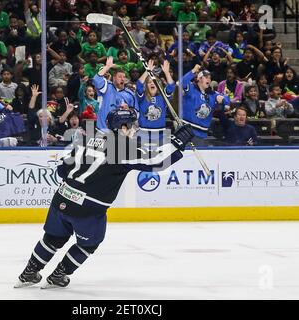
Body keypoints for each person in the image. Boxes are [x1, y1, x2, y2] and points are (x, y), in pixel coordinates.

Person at [14, 108, 194, 289]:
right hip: (88, 209)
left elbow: (62, 170)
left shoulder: (87, 139)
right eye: (133, 125)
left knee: (52, 238)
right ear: (123, 127)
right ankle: (58, 275)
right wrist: (178, 142)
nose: (136, 129)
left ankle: (29, 272)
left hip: (62, 197)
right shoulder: (124, 149)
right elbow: (156, 160)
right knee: (88, 244)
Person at [182, 64, 230, 146]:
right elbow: (182, 82)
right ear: (199, 78)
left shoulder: (213, 94)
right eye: (206, 77)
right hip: (186, 132)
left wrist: (225, 96)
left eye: (210, 78)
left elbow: (226, 102)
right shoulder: (191, 88)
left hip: (201, 135)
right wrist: (193, 71)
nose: (209, 79)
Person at [93, 56, 138, 129]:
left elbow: (136, 114)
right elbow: (96, 80)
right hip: (102, 130)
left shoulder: (130, 94)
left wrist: (129, 110)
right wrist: (107, 67)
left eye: (124, 77)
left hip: (120, 133)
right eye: (120, 76)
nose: (122, 79)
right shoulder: (106, 87)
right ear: (114, 77)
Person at [136, 59, 174, 131]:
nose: (152, 83)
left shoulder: (163, 97)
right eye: (149, 82)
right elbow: (139, 84)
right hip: (144, 131)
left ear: (158, 85)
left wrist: (166, 73)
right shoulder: (142, 97)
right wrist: (147, 72)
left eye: (154, 82)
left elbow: (171, 86)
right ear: (146, 85)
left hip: (160, 132)